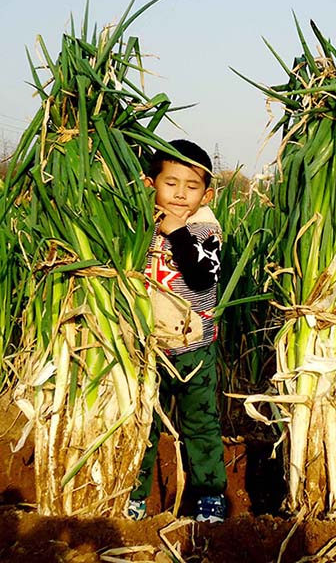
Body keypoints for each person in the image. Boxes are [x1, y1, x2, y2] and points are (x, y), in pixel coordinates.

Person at [126, 139, 228, 523]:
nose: (181, 194)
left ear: (207, 193)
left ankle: (209, 496)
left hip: (192, 347)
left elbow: (203, 278)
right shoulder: (139, 224)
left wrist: (176, 231)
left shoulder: (205, 229)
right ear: (151, 184)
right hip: (148, 347)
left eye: (192, 186)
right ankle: (134, 494)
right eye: (171, 183)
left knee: (200, 423)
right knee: (143, 423)